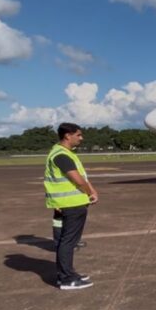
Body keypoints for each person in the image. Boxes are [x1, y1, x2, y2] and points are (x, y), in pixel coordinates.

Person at [44, 123, 98, 290]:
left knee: (64, 241)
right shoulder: (62, 155)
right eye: (78, 135)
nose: (81, 138)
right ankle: (67, 278)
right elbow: (77, 179)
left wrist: (92, 189)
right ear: (68, 135)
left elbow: (80, 177)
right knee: (68, 242)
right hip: (72, 205)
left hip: (64, 204)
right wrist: (91, 192)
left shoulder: (61, 153)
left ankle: (67, 274)